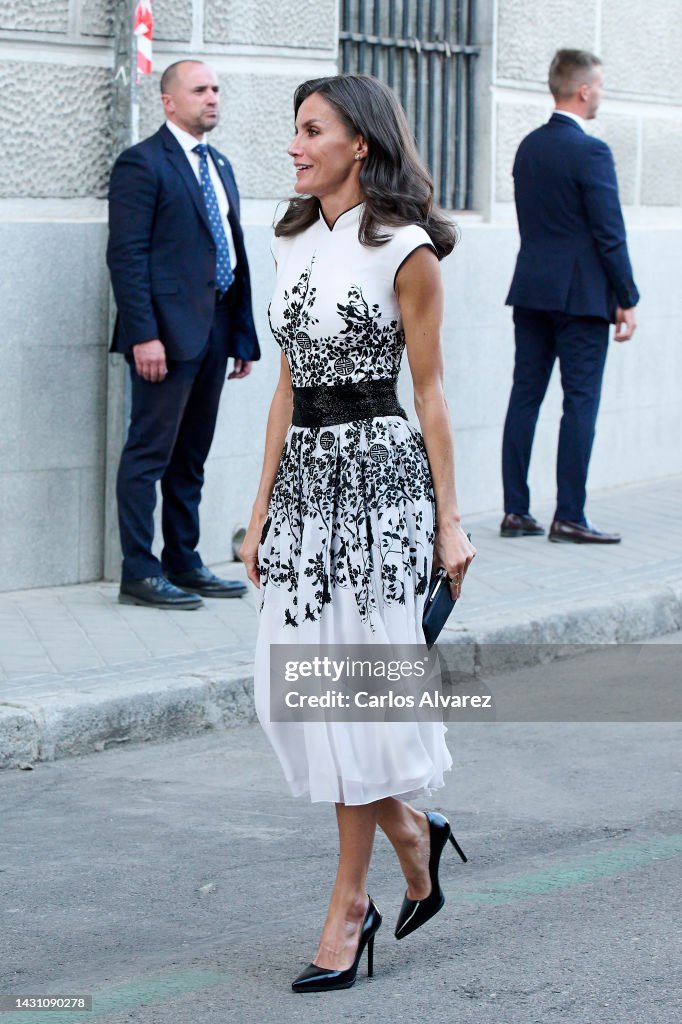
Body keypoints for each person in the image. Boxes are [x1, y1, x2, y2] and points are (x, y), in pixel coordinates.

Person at [239, 75, 476, 992]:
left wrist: (450, 524)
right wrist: (258, 511)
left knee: (355, 702)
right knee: (296, 690)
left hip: (379, 490)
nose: (294, 145)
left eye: (311, 130)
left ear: (360, 145)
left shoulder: (406, 248)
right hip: (304, 484)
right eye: (295, 130)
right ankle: (415, 833)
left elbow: (430, 394)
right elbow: (287, 388)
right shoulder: (291, 235)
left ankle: (349, 909)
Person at [107, 60, 260, 608]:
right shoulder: (141, 164)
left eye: (216, 88)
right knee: (149, 453)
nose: (212, 98)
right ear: (169, 102)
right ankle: (139, 571)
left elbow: (232, 253)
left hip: (215, 330)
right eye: (200, 90)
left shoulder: (219, 163)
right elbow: (127, 257)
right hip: (163, 338)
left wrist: (242, 335)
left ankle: (184, 561)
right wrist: (143, 335)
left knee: (191, 455)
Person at [501, 49, 639, 544]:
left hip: (531, 288)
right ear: (583, 90)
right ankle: (569, 515)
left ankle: (515, 511)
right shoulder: (591, 151)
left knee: (525, 396)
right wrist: (627, 295)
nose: (601, 93)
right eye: (599, 85)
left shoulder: (528, 148)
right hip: (580, 295)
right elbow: (609, 233)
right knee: (580, 402)